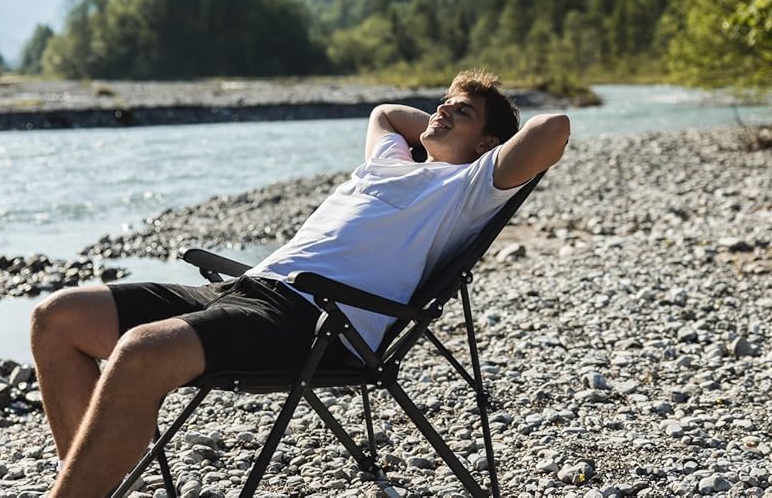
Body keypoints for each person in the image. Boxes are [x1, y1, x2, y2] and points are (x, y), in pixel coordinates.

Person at [30, 69, 570, 497]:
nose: (442, 108)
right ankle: (87, 483)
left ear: (490, 143)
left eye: (462, 110)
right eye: (443, 101)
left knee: (141, 351)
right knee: (56, 318)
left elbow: (554, 128)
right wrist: (450, 120)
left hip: (312, 318)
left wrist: (477, 145)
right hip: (248, 287)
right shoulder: (390, 160)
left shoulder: (469, 188)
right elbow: (384, 113)